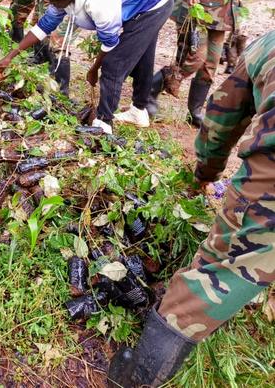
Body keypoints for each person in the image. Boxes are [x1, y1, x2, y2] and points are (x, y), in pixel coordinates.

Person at [109, 30, 275, 387]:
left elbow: (222, 116)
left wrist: (205, 173)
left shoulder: (268, 45)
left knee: (223, 269)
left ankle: (137, 378)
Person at [0, 0, 172, 132]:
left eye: (53, 2)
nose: (52, 5)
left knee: (114, 64)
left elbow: (110, 44)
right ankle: (139, 111)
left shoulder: (99, 1)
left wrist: (94, 69)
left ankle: (103, 124)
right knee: (142, 57)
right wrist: (10, 56)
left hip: (153, 2)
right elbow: (44, 26)